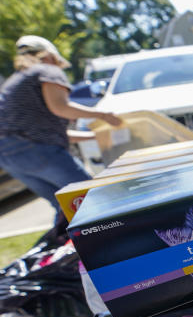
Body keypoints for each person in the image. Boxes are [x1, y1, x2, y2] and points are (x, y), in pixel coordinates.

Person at [0, 35, 122, 219]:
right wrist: (103, 116)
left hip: (9, 156)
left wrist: (93, 136)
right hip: (33, 147)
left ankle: (66, 244)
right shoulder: (46, 70)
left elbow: (55, 133)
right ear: (50, 55)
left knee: (66, 207)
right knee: (90, 196)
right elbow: (60, 108)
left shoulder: (17, 80)